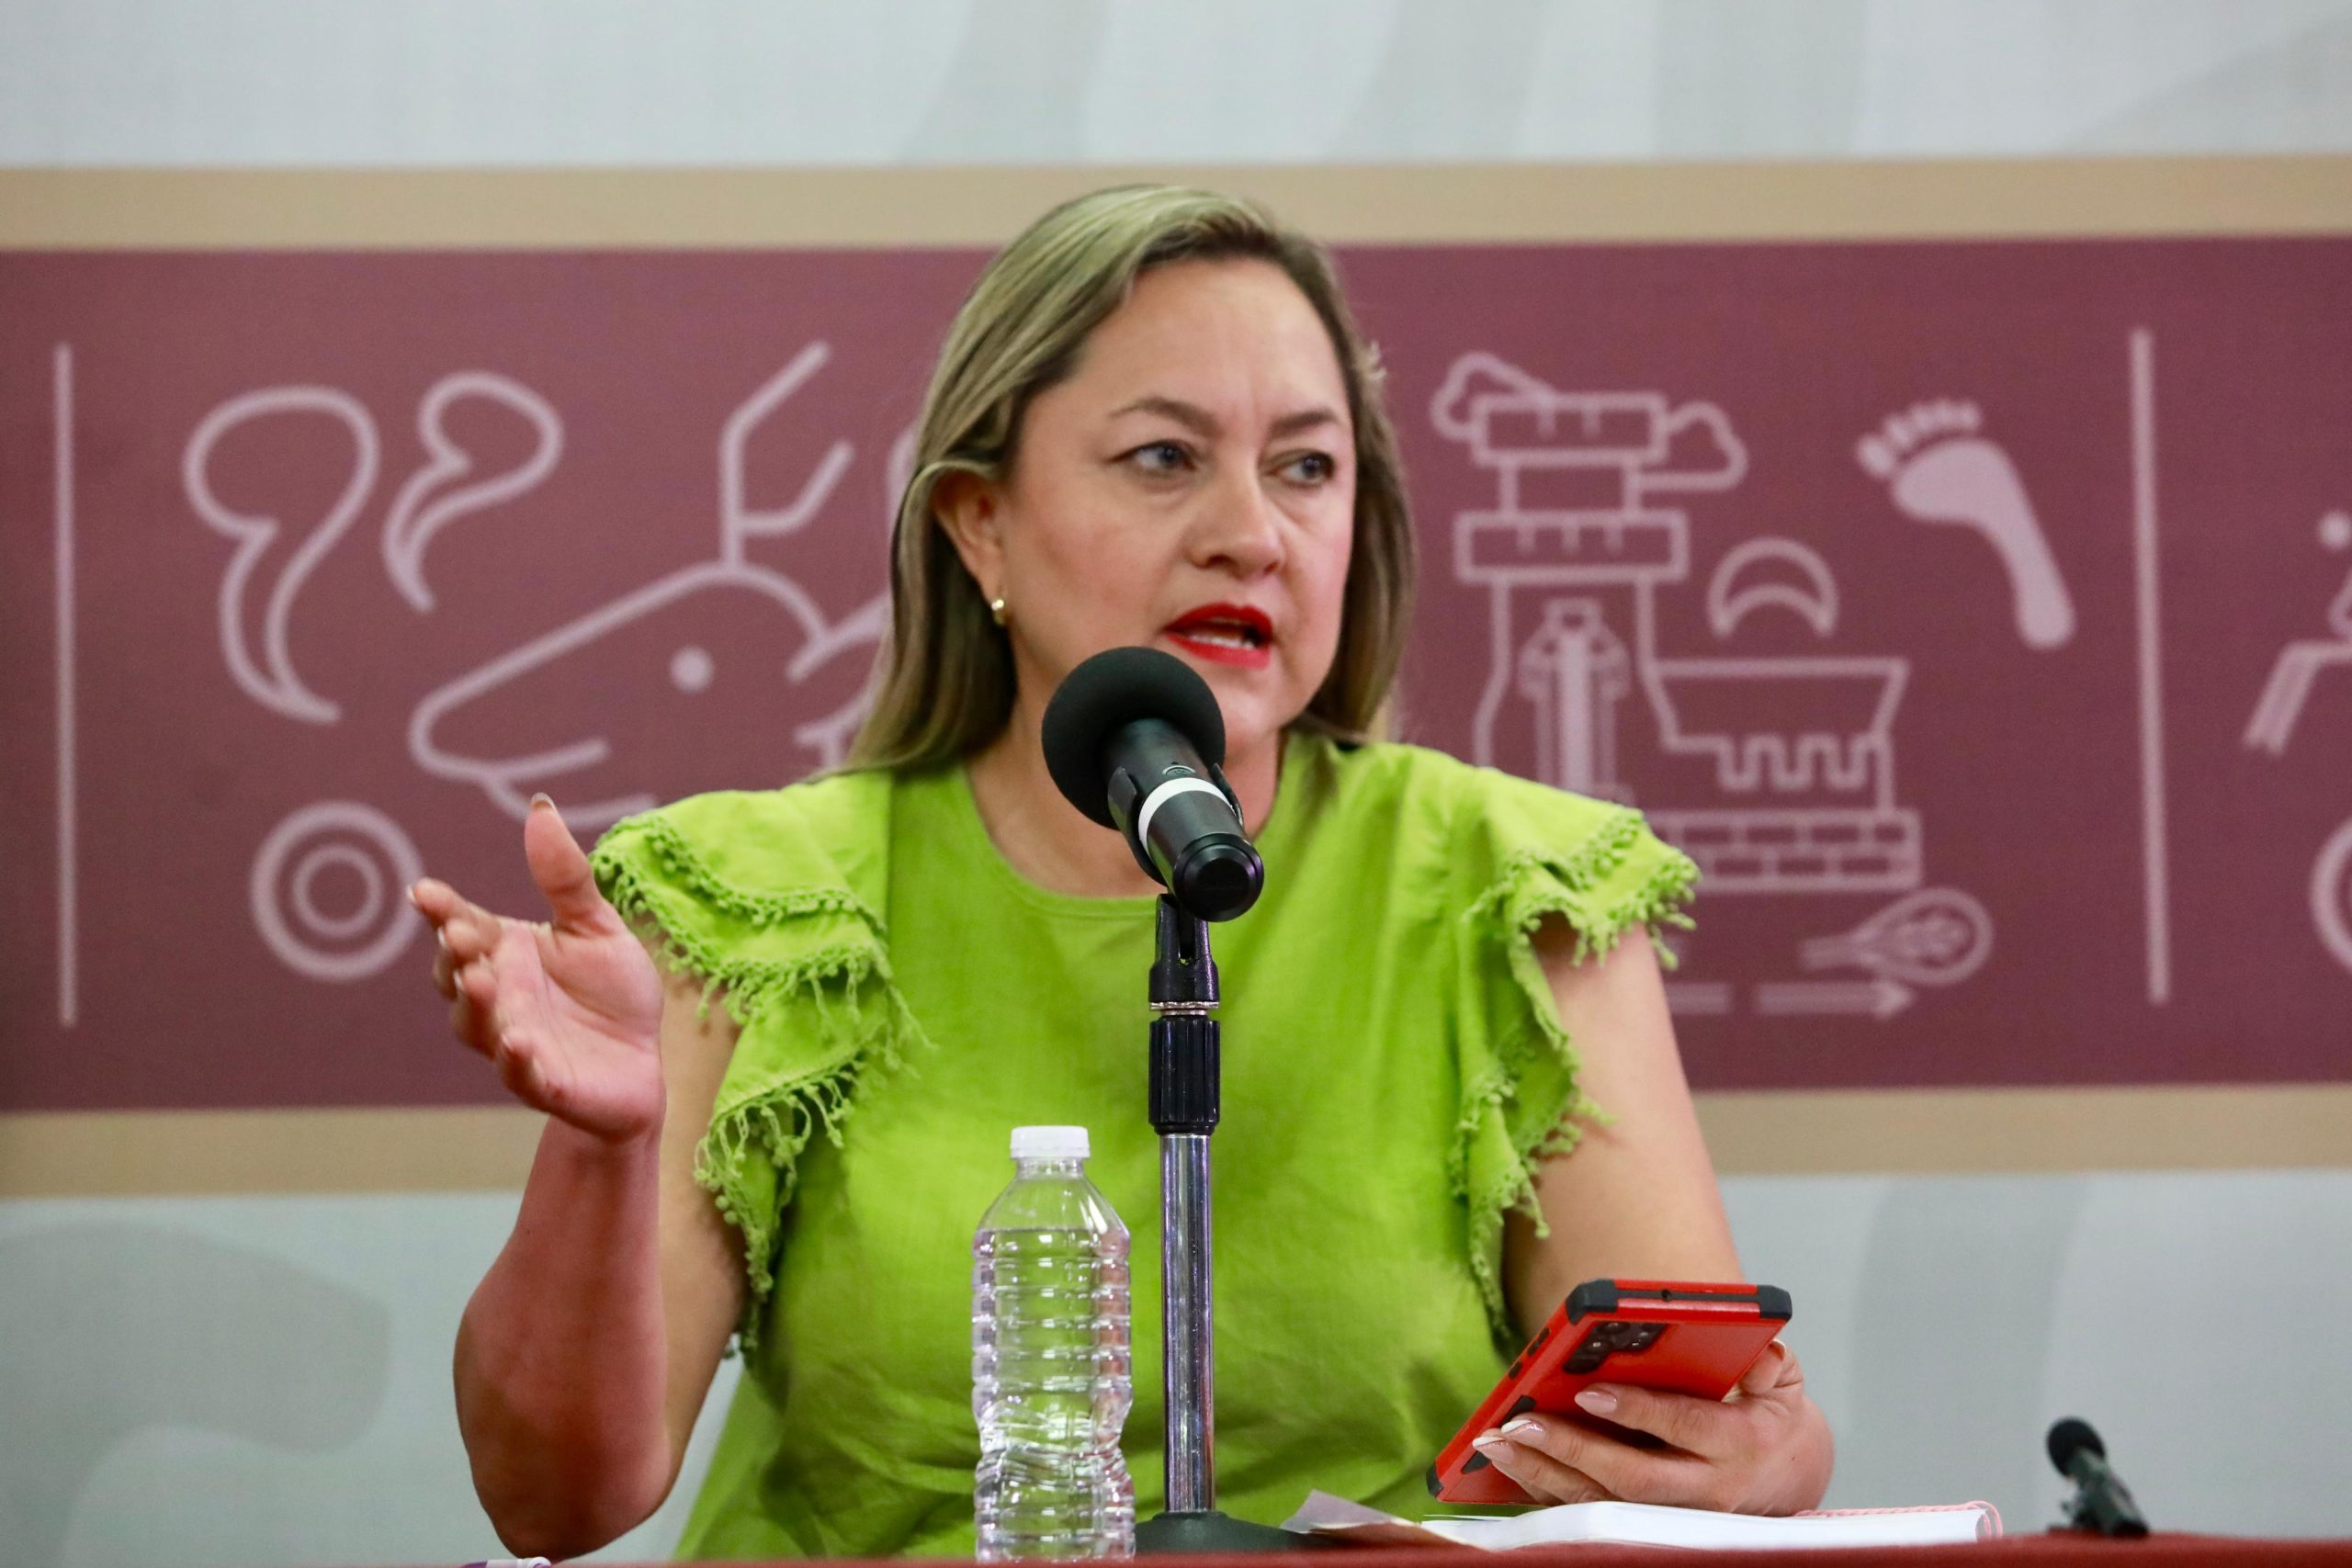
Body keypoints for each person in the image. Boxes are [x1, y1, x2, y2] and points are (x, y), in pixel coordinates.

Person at [411, 185, 1834, 1562]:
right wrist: (605, 1151)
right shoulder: (763, 901)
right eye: (1163, 458)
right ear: (980, 521)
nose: (1251, 534)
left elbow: (1682, 1437)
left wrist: (1766, 1462)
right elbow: (553, 1503)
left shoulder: (1514, 890)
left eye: (1306, 467)